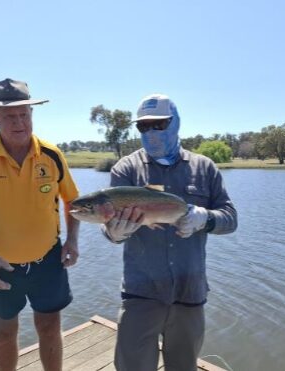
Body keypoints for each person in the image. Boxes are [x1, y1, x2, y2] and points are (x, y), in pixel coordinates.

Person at [101, 93, 238, 371]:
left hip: (190, 292)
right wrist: (114, 233)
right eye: (143, 126)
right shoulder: (126, 169)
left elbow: (230, 219)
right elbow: (109, 224)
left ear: (175, 123)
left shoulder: (204, 168)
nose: (151, 132)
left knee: (183, 366)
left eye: (159, 125)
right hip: (141, 292)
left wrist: (204, 219)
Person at [0, 78, 80, 371]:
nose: (19, 122)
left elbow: (73, 202)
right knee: (3, 334)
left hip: (48, 259)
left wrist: (72, 240)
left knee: (49, 327)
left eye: (25, 114)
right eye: (10, 116)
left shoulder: (51, 155)